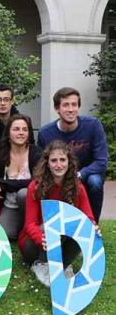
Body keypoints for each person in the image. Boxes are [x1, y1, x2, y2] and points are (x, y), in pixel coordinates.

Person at [19, 140, 99, 287]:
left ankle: (63, 264)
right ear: (47, 163)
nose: (58, 164)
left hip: (62, 239)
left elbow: (88, 217)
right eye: (53, 160)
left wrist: (93, 227)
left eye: (62, 160)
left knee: (81, 227)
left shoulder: (78, 187)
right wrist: (40, 239)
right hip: (36, 243)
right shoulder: (35, 186)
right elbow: (30, 224)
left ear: (69, 162)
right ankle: (41, 264)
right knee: (51, 225)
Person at [37, 87, 108, 221]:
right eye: (66, 105)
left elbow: (101, 162)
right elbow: (43, 164)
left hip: (86, 175)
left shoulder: (93, 125)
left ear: (78, 107)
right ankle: (52, 223)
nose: (70, 109)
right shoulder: (45, 133)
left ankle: (92, 225)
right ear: (57, 108)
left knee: (95, 181)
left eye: (74, 104)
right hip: (58, 175)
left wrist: (80, 174)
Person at [0, 114, 42, 240]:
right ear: (8, 133)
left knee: (24, 193)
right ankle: (21, 229)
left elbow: (38, 182)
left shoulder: (37, 153)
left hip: (34, 205)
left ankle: (31, 226)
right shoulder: (0, 157)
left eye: (25, 129)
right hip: (10, 205)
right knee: (4, 234)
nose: (21, 133)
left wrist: (7, 184)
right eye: (16, 129)